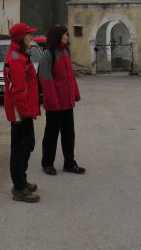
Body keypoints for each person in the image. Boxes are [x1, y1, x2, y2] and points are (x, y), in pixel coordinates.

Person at [38, 25, 85, 175]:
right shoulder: (48, 54)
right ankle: (47, 163)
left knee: (69, 134)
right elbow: (46, 79)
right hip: (55, 104)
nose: (67, 37)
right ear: (57, 36)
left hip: (66, 103)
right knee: (51, 135)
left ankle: (69, 163)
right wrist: (53, 102)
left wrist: (75, 94)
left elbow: (70, 76)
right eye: (65, 34)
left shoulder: (65, 51)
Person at [4, 22, 41, 203]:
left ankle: (22, 181)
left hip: (25, 111)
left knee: (28, 145)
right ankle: (19, 188)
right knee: (20, 149)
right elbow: (17, 91)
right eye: (28, 36)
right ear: (20, 38)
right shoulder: (17, 59)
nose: (31, 38)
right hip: (21, 113)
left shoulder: (21, 56)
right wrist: (26, 113)